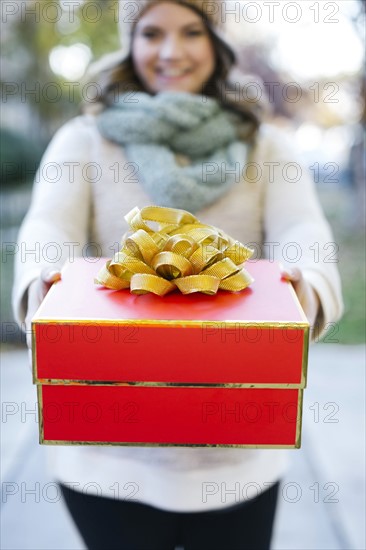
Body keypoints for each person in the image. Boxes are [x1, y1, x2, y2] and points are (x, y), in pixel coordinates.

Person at [13, 1, 343, 549]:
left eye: (192, 30)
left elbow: (303, 231)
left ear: (216, 41)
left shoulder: (265, 145)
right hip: (108, 462)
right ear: (130, 43)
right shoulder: (86, 140)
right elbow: (47, 226)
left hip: (235, 460)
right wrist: (47, 282)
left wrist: (304, 282)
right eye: (151, 33)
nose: (172, 51)